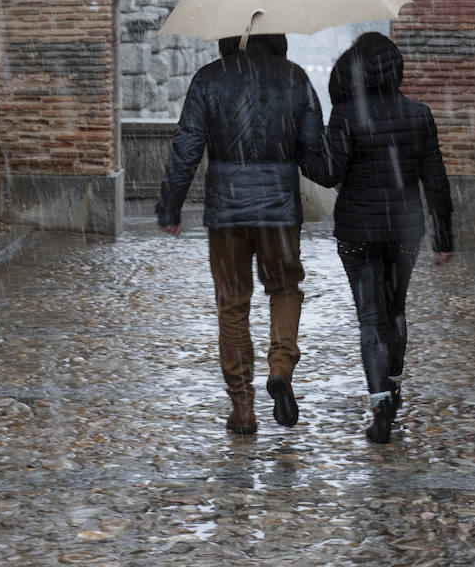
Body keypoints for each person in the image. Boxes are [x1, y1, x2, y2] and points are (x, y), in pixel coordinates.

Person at [156, 33, 325, 436]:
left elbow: (187, 146)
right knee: (284, 288)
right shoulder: (295, 78)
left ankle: (243, 408)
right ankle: (281, 367)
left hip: (227, 210)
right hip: (279, 212)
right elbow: (315, 150)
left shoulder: (209, 79)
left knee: (233, 304)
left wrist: (170, 205)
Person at [315, 31, 453, 444]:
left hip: (357, 230)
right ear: (396, 71)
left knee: (370, 316)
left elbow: (329, 173)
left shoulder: (346, 115)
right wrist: (444, 236)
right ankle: (392, 382)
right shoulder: (420, 114)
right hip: (403, 231)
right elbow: (436, 181)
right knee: (395, 309)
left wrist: (306, 151)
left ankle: (380, 402)